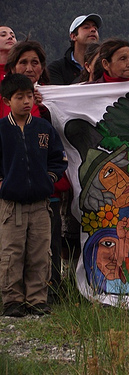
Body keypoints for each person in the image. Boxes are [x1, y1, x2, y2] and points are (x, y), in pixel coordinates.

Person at [0, 74, 67, 317]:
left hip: (41, 204)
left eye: (29, 96)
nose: (26, 101)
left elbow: (59, 159)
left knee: (40, 252)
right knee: (12, 252)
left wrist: (48, 179)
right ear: (7, 100)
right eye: (20, 97)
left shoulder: (43, 129)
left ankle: (37, 299)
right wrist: (3, 183)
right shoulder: (1, 130)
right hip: (11, 205)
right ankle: (12, 300)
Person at [2, 40, 50, 120]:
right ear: (13, 68)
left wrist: (44, 109)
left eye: (34, 63)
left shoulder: (51, 95)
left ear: (42, 68)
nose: (29, 69)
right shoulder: (2, 94)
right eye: (23, 63)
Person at [48, 13, 102, 85]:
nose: (93, 30)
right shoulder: (57, 68)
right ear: (73, 36)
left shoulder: (106, 65)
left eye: (95, 28)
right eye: (86, 27)